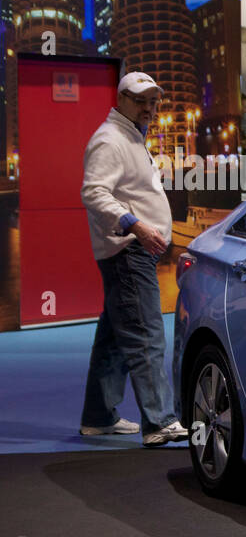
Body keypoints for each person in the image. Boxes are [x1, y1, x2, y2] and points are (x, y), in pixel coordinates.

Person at [78, 72, 189, 446]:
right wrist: (135, 225)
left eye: (154, 101)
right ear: (121, 99)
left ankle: (98, 416)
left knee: (114, 338)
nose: (149, 108)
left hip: (131, 251)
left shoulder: (129, 137)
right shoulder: (110, 140)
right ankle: (159, 422)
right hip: (128, 251)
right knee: (146, 335)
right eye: (141, 100)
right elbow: (93, 192)